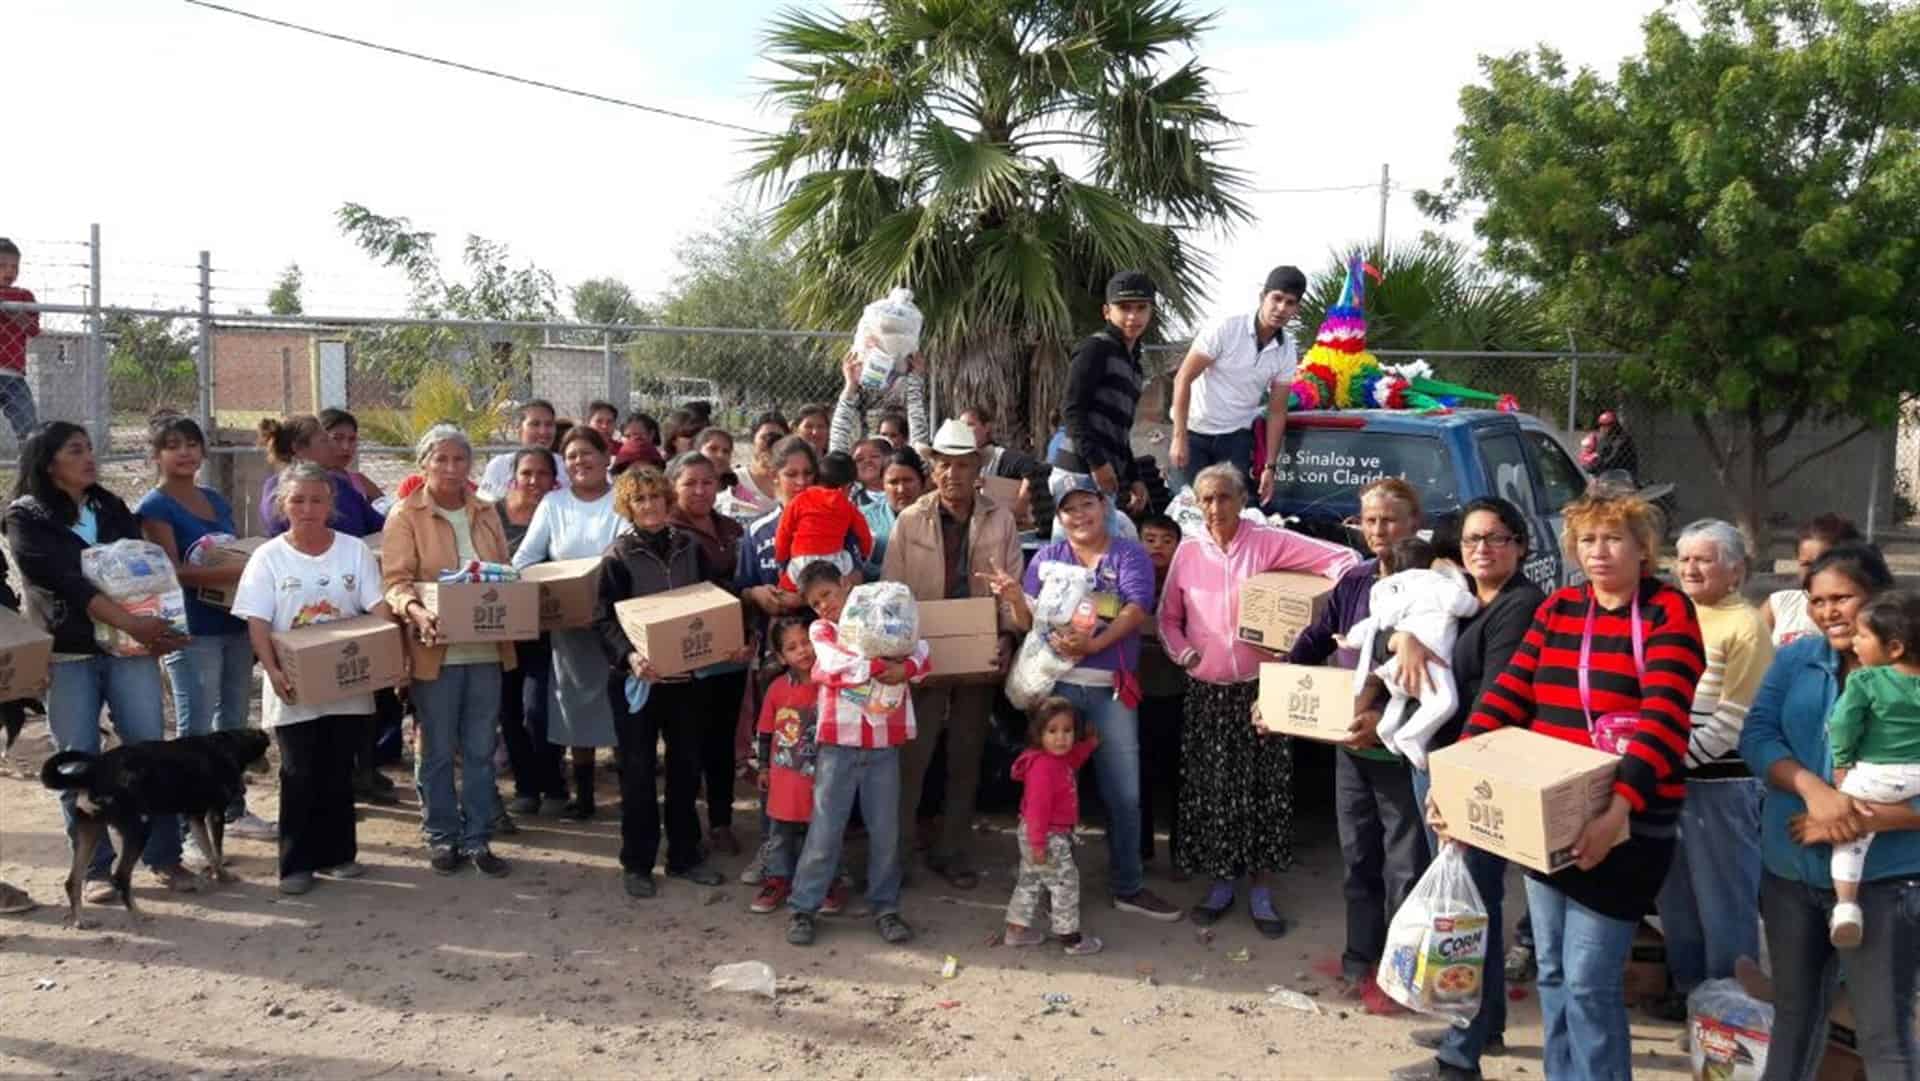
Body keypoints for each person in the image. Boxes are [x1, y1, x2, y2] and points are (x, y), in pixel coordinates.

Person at [1440, 491, 1705, 1081]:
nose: (1599, 551)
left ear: (1643, 548)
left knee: (1588, 982)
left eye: (1613, 539)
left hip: (1627, 825)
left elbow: (1664, 718)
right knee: (1555, 973)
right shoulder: (1560, 608)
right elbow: (1510, 692)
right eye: (1587, 540)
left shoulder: (1667, 612)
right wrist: (1460, 772)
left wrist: (1616, 812)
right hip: (1552, 816)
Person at [1740, 544, 1920, 1079]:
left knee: (1884, 1034)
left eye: (1842, 598)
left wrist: (1860, 819)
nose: (1828, 612)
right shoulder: (1797, 658)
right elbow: (1758, 734)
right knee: (1794, 1016)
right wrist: (1816, 792)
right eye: (1817, 601)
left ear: (1878, 597)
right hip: (1791, 870)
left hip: (1886, 882)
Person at [1159, 463, 1360, 934]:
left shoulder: (1267, 542)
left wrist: (1307, 622)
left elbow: (1345, 561)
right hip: (1207, 692)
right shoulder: (1189, 552)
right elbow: (1167, 618)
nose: (1215, 507)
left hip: (1261, 689)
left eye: (1224, 497)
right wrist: (1186, 654)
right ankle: (1221, 884)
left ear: (1242, 499)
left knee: (1263, 792)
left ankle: (1262, 892)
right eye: (1206, 499)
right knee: (1213, 791)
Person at [1388, 498, 1545, 1081]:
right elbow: (1404, 629)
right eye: (1473, 539)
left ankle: (1461, 1057)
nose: (1483, 549)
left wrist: (1452, 781)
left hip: (1475, 771)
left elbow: (1496, 697)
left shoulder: (1519, 606)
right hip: (1442, 759)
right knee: (1474, 899)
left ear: (1520, 545)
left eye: (1496, 538)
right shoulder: (1463, 594)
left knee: (1467, 907)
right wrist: (1404, 640)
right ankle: (1482, 1022)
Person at [7, 421, 197, 896]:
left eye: (90, 448)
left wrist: (158, 629)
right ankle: (95, 869)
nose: (89, 457)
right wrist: (135, 625)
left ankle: (164, 856)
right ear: (48, 461)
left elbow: (144, 574)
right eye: (76, 450)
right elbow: (69, 583)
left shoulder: (109, 506)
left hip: (130, 651)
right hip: (68, 653)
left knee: (149, 751)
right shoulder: (26, 518)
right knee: (78, 760)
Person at [984, 469, 1179, 920]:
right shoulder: (1047, 557)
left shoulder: (1128, 555)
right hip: (1057, 691)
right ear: (1060, 516)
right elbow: (1028, 622)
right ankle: (1046, 880)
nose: (1079, 515)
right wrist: (1014, 598)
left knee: (1124, 793)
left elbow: (1136, 609)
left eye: (1086, 505)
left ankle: (1128, 885)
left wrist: (1094, 645)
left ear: (1103, 507)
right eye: (1069, 509)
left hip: (1111, 690)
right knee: (1046, 791)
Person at [1285, 477, 1435, 1009]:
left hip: (1402, 750)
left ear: (1414, 523)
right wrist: (1278, 688)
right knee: (1357, 859)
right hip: (1351, 747)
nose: (1378, 530)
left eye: (1389, 520)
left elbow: (1439, 669)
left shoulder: (1434, 586)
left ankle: (1400, 967)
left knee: (1405, 866)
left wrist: (1382, 715)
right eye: (1369, 520)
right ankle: (1358, 957)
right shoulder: (1355, 580)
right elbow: (1317, 636)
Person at [232, 462, 389, 894]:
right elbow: (258, 622)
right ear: (283, 505)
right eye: (298, 500)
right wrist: (272, 669)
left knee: (338, 769)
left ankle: (338, 854)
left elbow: (376, 606)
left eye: (316, 500)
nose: (307, 509)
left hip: (348, 681)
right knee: (299, 772)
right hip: (294, 685)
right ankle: (296, 863)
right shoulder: (268, 558)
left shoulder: (353, 551)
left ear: (330, 503)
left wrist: (388, 649)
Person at [1642, 519, 1775, 1021]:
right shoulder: (1673, 614)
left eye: (1705, 559)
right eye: (1684, 558)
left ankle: (1729, 1012)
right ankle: (1688, 993)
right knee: (1675, 897)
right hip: (1670, 779)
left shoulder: (1746, 626)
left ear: (1736, 570)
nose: (1690, 568)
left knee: (1724, 902)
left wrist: (1664, 765)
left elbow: (1732, 722)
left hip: (1718, 784)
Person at [883, 419, 1024, 892]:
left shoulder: (1000, 519)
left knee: (966, 756)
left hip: (977, 651)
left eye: (962, 465)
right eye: (943, 465)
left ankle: (952, 852)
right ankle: (896, 855)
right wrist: (900, 650)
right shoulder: (911, 519)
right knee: (912, 757)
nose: (952, 474)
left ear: (977, 469)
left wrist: (1007, 638)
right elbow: (892, 591)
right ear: (933, 468)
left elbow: (1012, 587)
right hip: (921, 652)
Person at [595, 467, 743, 897]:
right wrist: (630, 658)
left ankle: (684, 855)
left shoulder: (689, 548)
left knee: (685, 768)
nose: (650, 506)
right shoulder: (617, 556)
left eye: (656, 496)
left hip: (686, 679)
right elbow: (603, 620)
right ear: (628, 507)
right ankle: (637, 862)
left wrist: (730, 639)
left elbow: (712, 601)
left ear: (667, 499)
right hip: (638, 682)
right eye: (640, 499)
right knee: (638, 772)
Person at [382, 425, 517, 878]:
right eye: (441, 459)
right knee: (437, 749)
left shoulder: (485, 510)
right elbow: (395, 581)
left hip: (486, 649)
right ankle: (442, 835)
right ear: (424, 463)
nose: (451, 468)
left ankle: (478, 837)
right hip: (434, 649)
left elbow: (504, 570)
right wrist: (417, 611)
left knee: (480, 749)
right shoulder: (406, 514)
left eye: (459, 459)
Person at [138, 416, 276, 849]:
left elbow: (228, 551)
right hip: (192, 630)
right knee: (196, 730)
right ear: (156, 455)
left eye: (192, 444)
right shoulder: (155, 507)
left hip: (232, 622)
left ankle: (232, 810)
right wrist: (241, 570)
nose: (185, 453)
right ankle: (189, 828)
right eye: (173, 445)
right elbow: (172, 571)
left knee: (232, 725)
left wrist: (243, 569)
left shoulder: (214, 498)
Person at [786, 562, 928, 946]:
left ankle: (886, 908)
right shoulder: (822, 631)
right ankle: (803, 907)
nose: (824, 606)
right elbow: (834, 666)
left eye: (827, 595)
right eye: (816, 603)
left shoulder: (886, 616)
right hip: (838, 744)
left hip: (883, 745)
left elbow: (922, 652)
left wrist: (907, 666)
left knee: (885, 831)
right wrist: (888, 665)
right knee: (825, 829)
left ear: (846, 584)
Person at [512, 428, 628, 820]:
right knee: (576, 705)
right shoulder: (554, 504)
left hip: (616, 623)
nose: (580, 462)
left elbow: (628, 554)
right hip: (570, 625)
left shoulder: (622, 500)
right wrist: (554, 587)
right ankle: (585, 794)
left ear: (606, 457)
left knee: (621, 704)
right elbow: (524, 560)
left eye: (587, 453)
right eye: (572, 456)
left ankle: (630, 789)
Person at [1821, 590, 1920, 948]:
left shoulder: (1865, 681)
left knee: (1848, 836)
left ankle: (1846, 905)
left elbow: (1843, 723)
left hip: (1876, 776)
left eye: (1863, 636)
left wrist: (1842, 762)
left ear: (1894, 648)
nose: (1855, 642)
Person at [664, 451, 750, 857]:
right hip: (686, 656)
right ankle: (684, 832)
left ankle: (721, 821)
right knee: (685, 747)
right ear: (672, 487)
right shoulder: (666, 533)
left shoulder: (732, 529)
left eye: (707, 482)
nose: (700, 490)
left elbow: (747, 583)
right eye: (690, 483)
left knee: (721, 742)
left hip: (730, 655)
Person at [1167, 265, 1305, 498]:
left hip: (1235, 438)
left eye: (1290, 303)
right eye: (1277, 298)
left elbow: (1277, 410)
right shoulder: (1226, 327)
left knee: (1233, 511)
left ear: (1296, 309)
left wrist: (1270, 466)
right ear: (1263, 297)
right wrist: (1179, 438)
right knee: (1188, 509)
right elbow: (1183, 378)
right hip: (1193, 433)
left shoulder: (1287, 350)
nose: (1281, 308)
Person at [1342, 536, 1479, 770]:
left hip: (1394, 667)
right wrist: (1458, 579)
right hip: (1429, 664)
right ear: (1432, 562)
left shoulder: (1388, 590)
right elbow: (1464, 605)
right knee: (1445, 702)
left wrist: (1350, 639)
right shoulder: (1436, 583)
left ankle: (1387, 728)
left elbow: (1375, 624)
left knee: (1400, 697)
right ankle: (1411, 736)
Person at [748, 616, 846, 915]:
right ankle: (778, 880)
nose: (802, 650)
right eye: (792, 647)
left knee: (823, 832)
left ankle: (826, 883)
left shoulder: (832, 683)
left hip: (824, 777)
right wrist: (763, 768)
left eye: (806, 642)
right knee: (780, 833)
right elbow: (765, 731)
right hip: (785, 779)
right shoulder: (777, 689)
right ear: (781, 657)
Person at [496, 448, 566, 816]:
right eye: (526, 473)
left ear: (554, 480)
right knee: (508, 710)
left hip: (545, 629)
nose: (534, 481)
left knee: (538, 710)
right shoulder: (491, 514)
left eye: (542, 474)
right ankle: (526, 787)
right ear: (514, 477)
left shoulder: (559, 513)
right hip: (500, 628)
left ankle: (552, 783)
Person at [1003, 696, 1103, 955]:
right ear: (1038, 734)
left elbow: (1074, 758)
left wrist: (1089, 744)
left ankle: (1015, 932)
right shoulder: (1043, 769)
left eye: (1067, 731)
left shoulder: (1055, 759)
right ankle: (1070, 938)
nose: (1061, 738)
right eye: (1052, 731)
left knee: (1030, 881)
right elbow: (1037, 811)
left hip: (1037, 835)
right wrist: (1038, 845)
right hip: (1047, 836)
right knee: (1065, 883)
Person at [1059, 270, 1154, 515]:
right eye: (1124, 307)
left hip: (1105, 476)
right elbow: (1072, 410)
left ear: (1150, 312)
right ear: (1106, 312)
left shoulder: (1134, 366)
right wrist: (1097, 464)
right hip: (1079, 473)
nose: (1133, 316)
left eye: (1141, 307)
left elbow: (1120, 432)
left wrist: (1134, 478)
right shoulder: (1096, 348)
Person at [1135, 512, 1187, 877]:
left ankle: (1182, 853)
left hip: (1177, 691)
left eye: (1167, 541)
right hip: (1135, 692)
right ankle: (1140, 851)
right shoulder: (1127, 579)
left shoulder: (1187, 583)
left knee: (1179, 776)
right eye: (1150, 539)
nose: (1158, 547)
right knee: (1138, 776)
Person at [259, 415, 386, 538]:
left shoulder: (271, 486)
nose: (332, 446)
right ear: (298, 448)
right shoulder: (330, 485)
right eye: (324, 441)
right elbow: (378, 524)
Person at [774, 451, 872, 591]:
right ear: (847, 487)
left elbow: (783, 533)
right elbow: (864, 534)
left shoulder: (799, 501)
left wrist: (781, 560)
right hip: (833, 563)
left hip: (801, 562)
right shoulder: (847, 506)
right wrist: (864, 553)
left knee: (785, 589)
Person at [1764, 513, 1863, 647]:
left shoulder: (1859, 611)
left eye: (1823, 562)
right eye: (1806, 564)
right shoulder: (1780, 604)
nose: (1814, 572)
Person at [829, 350, 929, 462]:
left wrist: (915, 380)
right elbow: (837, 446)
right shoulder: (844, 471)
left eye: (874, 457)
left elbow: (918, 432)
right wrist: (850, 385)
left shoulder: (909, 465)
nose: (868, 462)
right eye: (860, 459)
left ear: (905, 439)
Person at [859, 446, 927, 583]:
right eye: (893, 482)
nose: (901, 489)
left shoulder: (937, 519)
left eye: (908, 480)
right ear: (882, 485)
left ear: (922, 482)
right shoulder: (863, 518)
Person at [477, 401, 566, 502]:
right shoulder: (499, 465)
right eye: (535, 424)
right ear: (518, 429)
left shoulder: (566, 467)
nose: (543, 431)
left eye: (549, 425)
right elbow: (484, 503)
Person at [0, 238, 41, 441]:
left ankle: (30, 460)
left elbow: (33, 329)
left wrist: (9, 308)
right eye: (2, 266)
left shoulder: (24, 296)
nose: (9, 271)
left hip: (13, 375)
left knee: (30, 429)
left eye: (14, 267)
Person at [320, 408, 384, 505]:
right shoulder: (307, 481)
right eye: (337, 438)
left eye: (352, 439)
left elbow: (388, 508)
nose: (346, 447)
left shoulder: (359, 481)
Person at [736, 412, 791, 517]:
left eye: (777, 438)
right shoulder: (735, 481)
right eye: (765, 437)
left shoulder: (794, 481)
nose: (770, 443)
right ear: (753, 440)